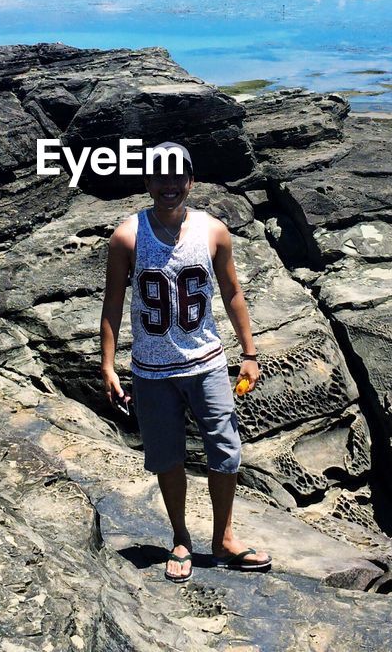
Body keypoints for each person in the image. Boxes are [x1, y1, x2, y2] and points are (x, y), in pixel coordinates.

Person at [99, 140, 272, 583]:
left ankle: (224, 539)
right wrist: (107, 364)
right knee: (167, 456)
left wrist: (249, 353)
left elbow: (233, 294)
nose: (170, 184)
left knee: (226, 450)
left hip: (208, 363)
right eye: (160, 175)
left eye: (178, 176)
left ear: (191, 181)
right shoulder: (127, 236)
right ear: (148, 182)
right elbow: (113, 303)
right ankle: (180, 538)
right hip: (152, 373)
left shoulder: (213, 231)